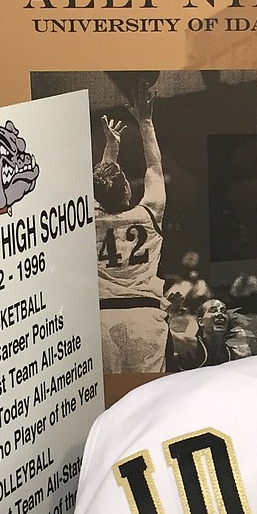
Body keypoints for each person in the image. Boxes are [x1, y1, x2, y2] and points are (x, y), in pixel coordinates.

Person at [94, 78, 167, 374]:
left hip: (102, 319)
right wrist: (146, 121)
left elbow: (99, 184)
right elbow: (154, 168)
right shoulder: (149, 214)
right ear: (126, 190)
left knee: (109, 400)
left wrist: (111, 148)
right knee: (148, 398)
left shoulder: (92, 220)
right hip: (145, 315)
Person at [167, 298, 255, 371]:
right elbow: (161, 337)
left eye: (223, 311)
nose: (220, 314)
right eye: (213, 310)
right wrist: (169, 314)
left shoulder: (234, 354)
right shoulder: (190, 345)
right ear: (200, 322)